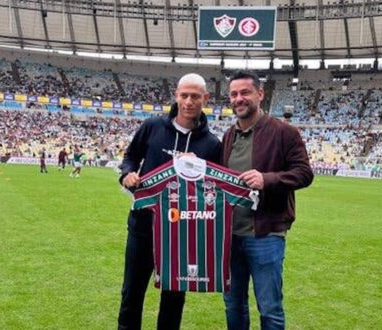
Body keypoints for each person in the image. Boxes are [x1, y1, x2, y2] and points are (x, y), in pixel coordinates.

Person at [118, 73, 221, 330]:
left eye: (195, 96)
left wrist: (198, 166)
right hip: (144, 224)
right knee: (132, 292)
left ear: (205, 99)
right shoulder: (152, 127)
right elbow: (130, 157)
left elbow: (214, 189)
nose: (189, 101)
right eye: (184, 95)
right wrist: (126, 175)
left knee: (174, 297)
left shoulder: (211, 144)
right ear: (176, 95)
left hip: (182, 230)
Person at [221, 71, 314, 330]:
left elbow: (305, 174)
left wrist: (268, 179)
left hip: (266, 234)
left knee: (270, 308)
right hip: (230, 236)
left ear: (260, 94)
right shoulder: (229, 136)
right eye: (234, 94)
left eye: (245, 92)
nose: (239, 99)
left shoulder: (285, 132)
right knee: (233, 304)